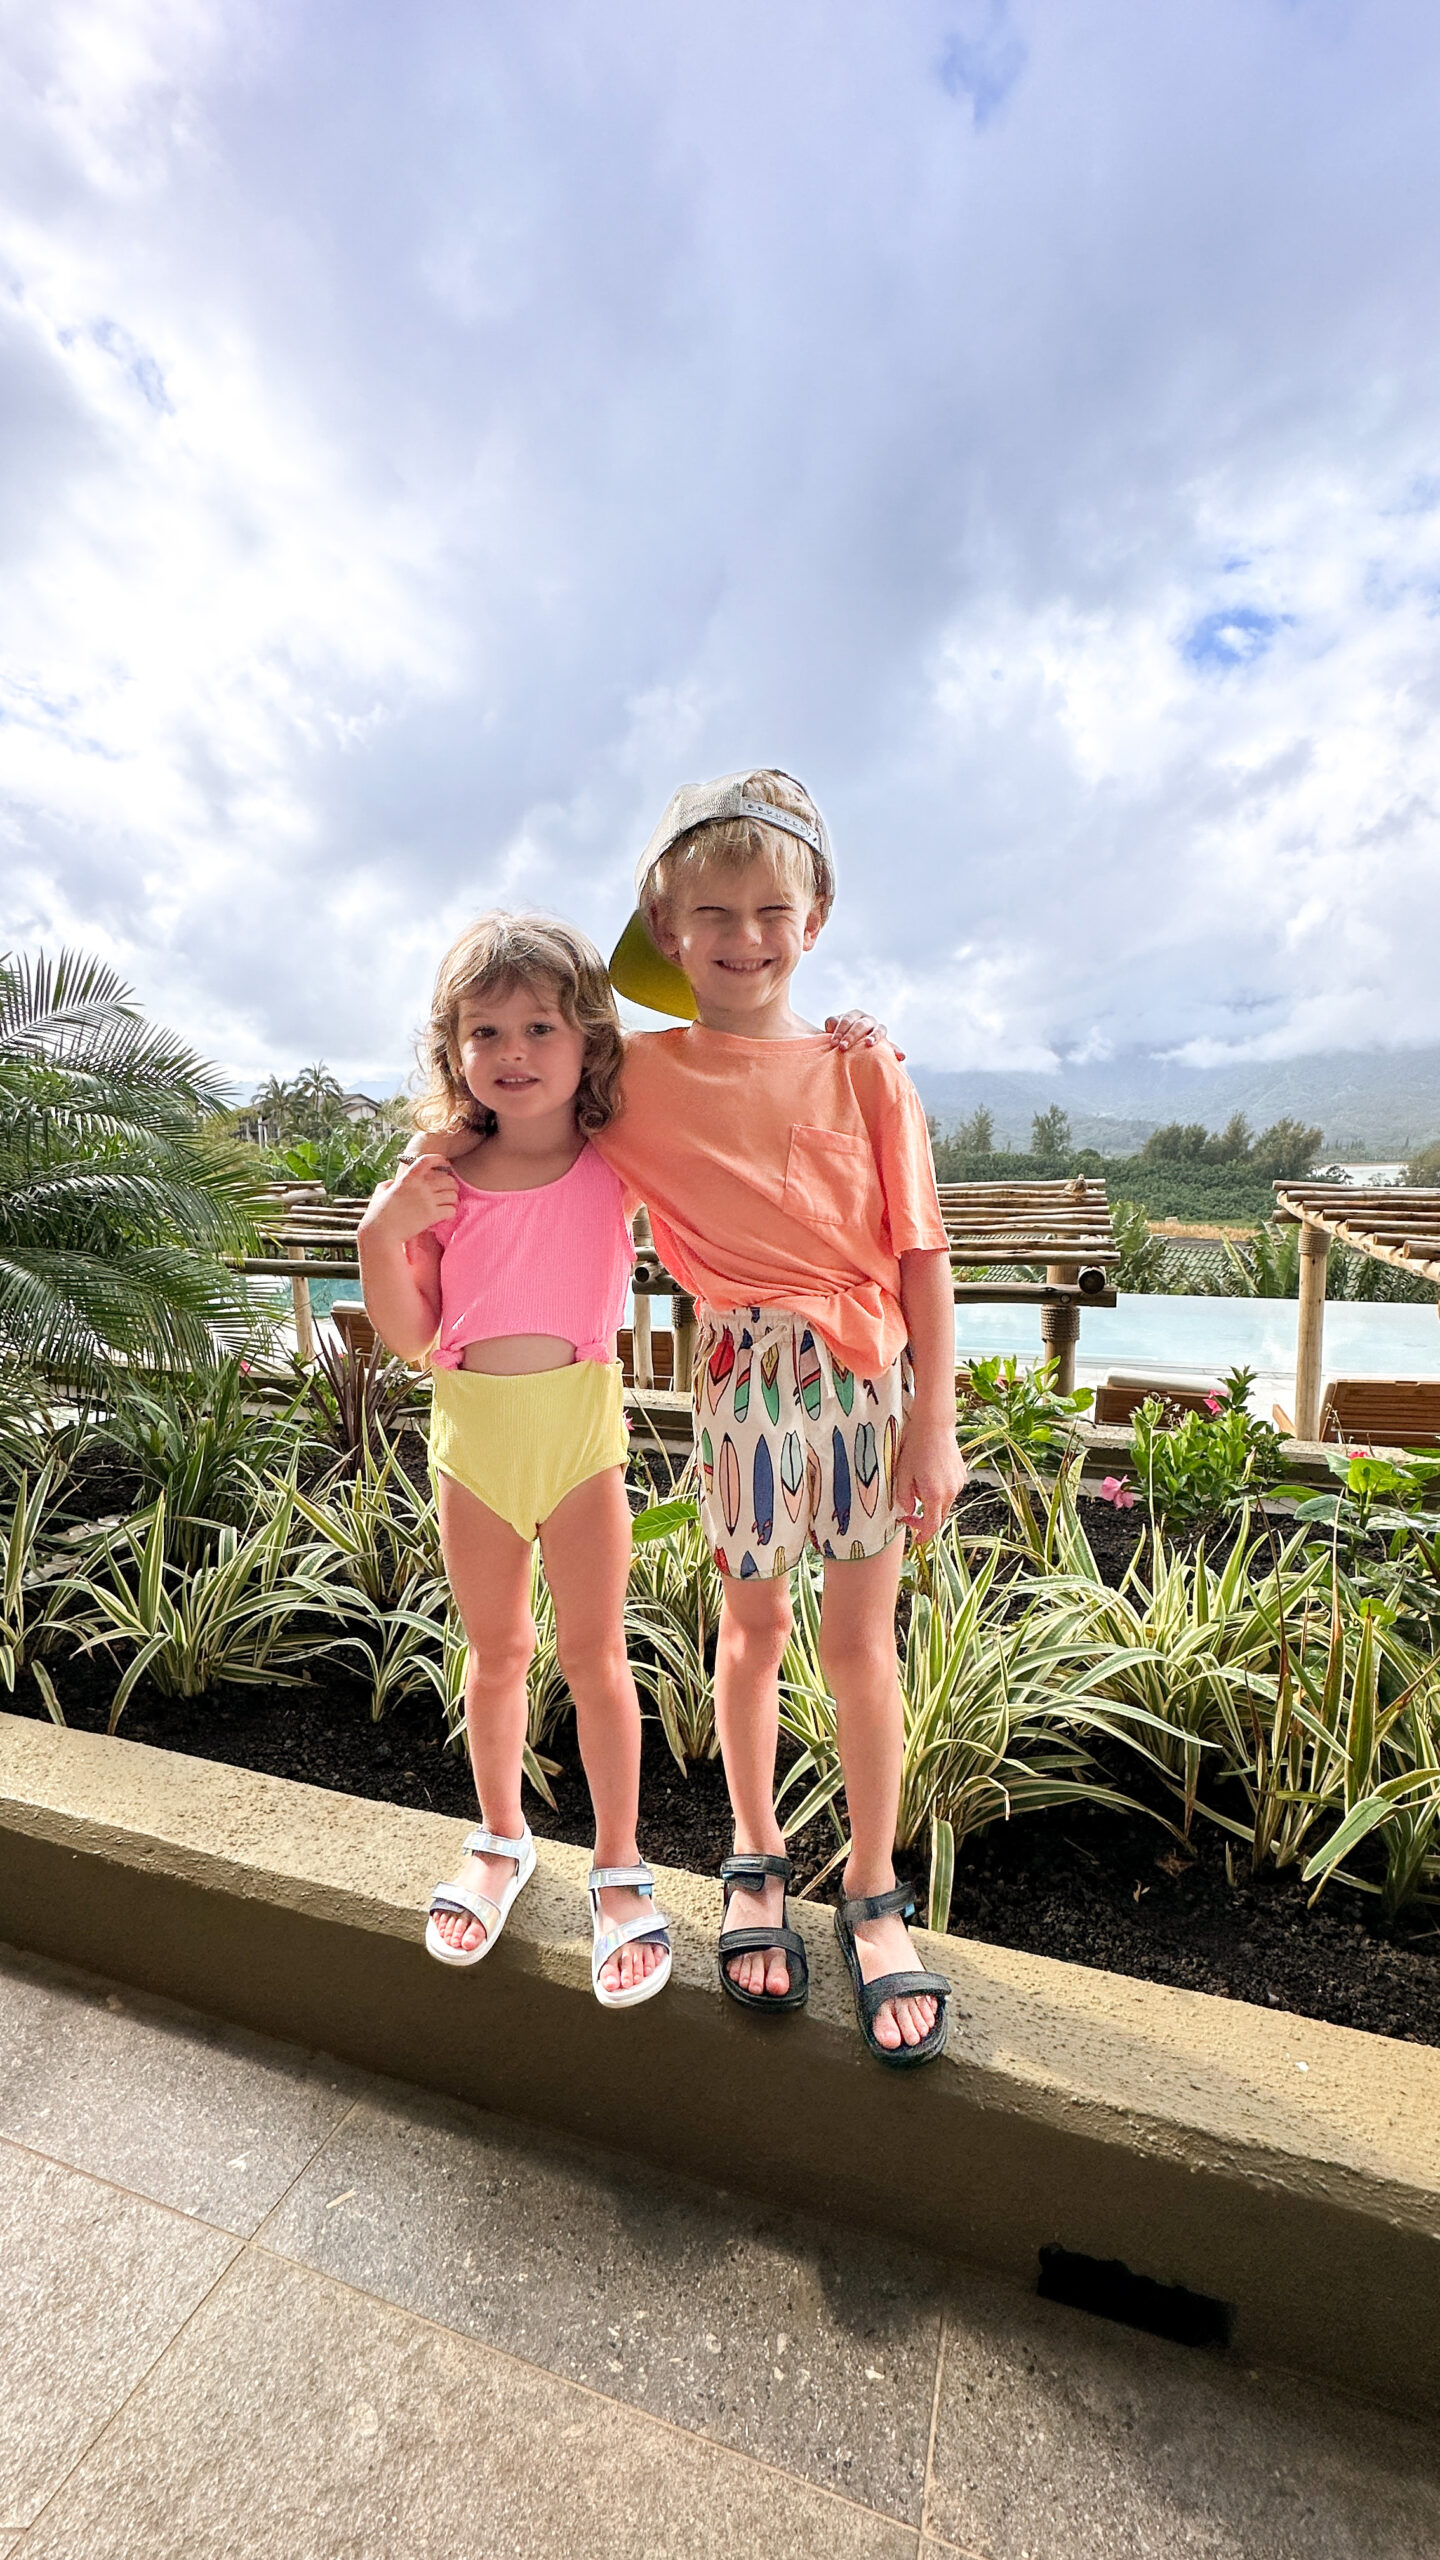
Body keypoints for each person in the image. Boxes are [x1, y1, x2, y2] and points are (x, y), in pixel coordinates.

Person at [599, 770, 966, 2067]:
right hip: (741, 1381)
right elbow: (515, 1117)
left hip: (867, 1382)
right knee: (750, 1634)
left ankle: (872, 1885)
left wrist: (937, 1421)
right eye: (713, 913)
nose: (744, 937)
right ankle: (754, 1857)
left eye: (770, 911)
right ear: (666, 919)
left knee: (863, 1646)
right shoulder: (628, 1077)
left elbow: (922, 1254)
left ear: (813, 921)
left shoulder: (866, 1072)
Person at [357, 915, 674, 2008]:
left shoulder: (615, 1162)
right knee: (495, 1651)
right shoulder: (438, 1175)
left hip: (580, 1440)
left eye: (541, 1025)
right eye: (485, 1029)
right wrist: (379, 1231)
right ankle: (500, 1838)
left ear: (587, 1039)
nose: (515, 1050)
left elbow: (725, 1107)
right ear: (454, 1050)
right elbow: (408, 1332)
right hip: (475, 1444)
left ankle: (620, 1864)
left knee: (596, 1655)